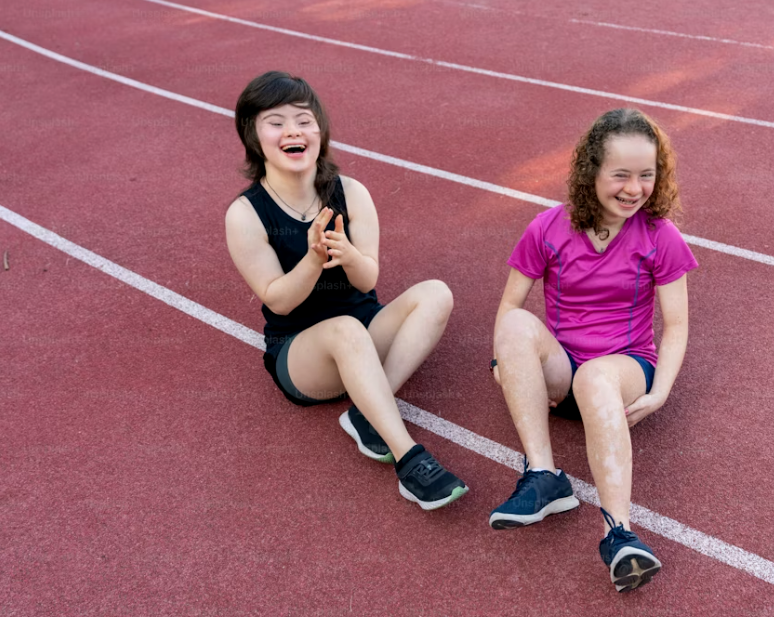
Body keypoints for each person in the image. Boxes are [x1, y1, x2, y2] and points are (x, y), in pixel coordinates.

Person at [224, 71, 467, 510]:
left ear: (320, 130)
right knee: (343, 330)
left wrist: (347, 254)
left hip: (363, 335)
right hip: (301, 353)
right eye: (276, 122)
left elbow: (367, 280)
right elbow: (277, 298)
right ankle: (409, 460)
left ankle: (365, 412)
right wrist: (314, 259)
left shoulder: (351, 192)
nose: (293, 130)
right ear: (253, 137)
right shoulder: (245, 214)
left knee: (436, 293)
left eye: (303, 119)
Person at [488, 108, 698, 591]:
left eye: (647, 175)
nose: (634, 188)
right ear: (591, 172)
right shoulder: (546, 228)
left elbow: (677, 326)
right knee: (518, 325)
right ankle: (543, 476)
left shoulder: (659, 236)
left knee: (595, 376)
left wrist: (661, 391)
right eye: (620, 174)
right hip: (562, 381)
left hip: (622, 373)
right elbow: (509, 307)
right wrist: (506, 363)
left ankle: (619, 534)